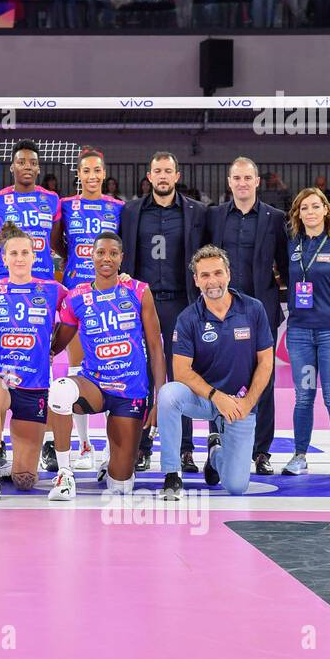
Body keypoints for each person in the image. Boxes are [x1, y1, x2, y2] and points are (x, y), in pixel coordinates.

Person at [48, 232, 166, 500]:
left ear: (121, 258)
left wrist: (159, 399)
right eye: (101, 252)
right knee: (61, 390)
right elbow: (58, 343)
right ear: (91, 256)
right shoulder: (76, 297)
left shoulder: (138, 291)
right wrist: (43, 352)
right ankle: (65, 474)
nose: (107, 258)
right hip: (95, 386)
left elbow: (156, 348)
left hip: (131, 392)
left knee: (121, 485)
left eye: (113, 253)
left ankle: (111, 461)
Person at [155, 246, 274, 496]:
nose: (212, 281)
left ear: (228, 274)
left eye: (217, 273)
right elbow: (181, 371)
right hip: (204, 398)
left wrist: (248, 401)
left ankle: (216, 454)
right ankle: (172, 473)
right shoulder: (188, 318)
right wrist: (216, 397)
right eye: (205, 275)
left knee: (236, 486)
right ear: (196, 280)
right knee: (168, 395)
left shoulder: (253, 309)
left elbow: (265, 361)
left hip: (240, 403)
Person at [119, 151, 207, 473]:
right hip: (142, 303)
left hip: (180, 303)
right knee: (141, 375)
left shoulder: (196, 212)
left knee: (180, 377)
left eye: (168, 171)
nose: (163, 176)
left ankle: (185, 448)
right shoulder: (130, 211)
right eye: (158, 171)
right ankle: (142, 446)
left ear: (177, 175)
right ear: (149, 175)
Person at [205, 157, 289, 475]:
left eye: (247, 177)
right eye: (236, 177)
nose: (242, 182)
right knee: (219, 377)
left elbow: (284, 264)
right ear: (230, 182)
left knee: (262, 381)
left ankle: (261, 452)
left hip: (261, 313)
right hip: (220, 313)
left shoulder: (275, 218)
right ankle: (220, 444)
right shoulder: (214, 217)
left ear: (256, 182)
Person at [0, 222, 69, 499]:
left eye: (24, 253)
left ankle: (12, 461)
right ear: (3, 258)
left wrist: (52, 347)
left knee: (25, 480)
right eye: (13, 253)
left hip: (35, 385)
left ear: (34, 256)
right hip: (0, 377)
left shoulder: (53, 289)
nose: (19, 258)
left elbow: (84, 304)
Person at [55, 146, 124, 469]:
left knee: (111, 367)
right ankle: (83, 445)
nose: (93, 176)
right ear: (79, 175)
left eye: (98, 170)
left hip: (110, 294)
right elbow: (57, 241)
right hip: (77, 293)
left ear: (104, 174)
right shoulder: (66, 205)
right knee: (76, 365)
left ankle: (115, 445)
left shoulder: (118, 207)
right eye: (87, 171)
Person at [281, 187, 330, 478]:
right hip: (299, 332)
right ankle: (300, 456)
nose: (310, 212)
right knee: (303, 396)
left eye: (315, 206)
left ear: (326, 209)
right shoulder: (291, 244)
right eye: (304, 208)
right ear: (298, 214)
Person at [0, 140, 62, 283]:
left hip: (42, 278)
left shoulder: (52, 199)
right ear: (12, 167)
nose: (27, 167)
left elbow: (54, 241)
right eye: (21, 162)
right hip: (5, 277)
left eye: (33, 163)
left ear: (38, 168)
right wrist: (2, 246)